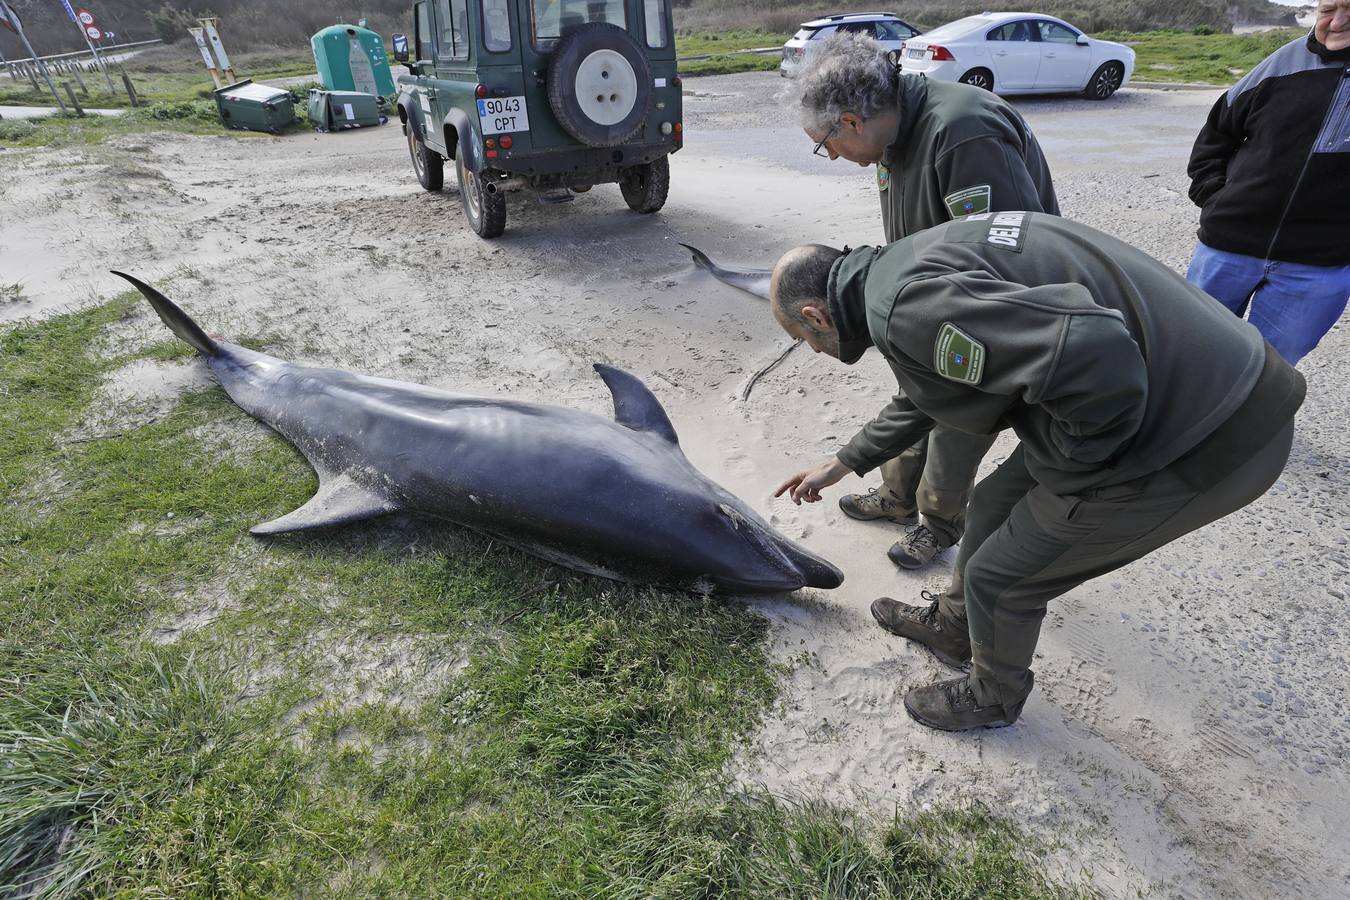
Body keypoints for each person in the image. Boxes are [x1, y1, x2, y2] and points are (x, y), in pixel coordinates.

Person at [771, 213, 1305, 731]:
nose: (813, 350)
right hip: (1176, 390)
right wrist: (843, 464)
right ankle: (956, 628)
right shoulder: (902, 268)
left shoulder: (903, 308)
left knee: (1001, 577)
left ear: (816, 315)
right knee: (990, 507)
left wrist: (1076, 473)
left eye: (802, 339)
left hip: (1204, 433)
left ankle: (993, 697)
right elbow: (931, 385)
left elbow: (1097, 356)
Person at [791, 32, 1059, 571]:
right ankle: (897, 498)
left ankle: (938, 524)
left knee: (958, 414)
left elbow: (1011, 252)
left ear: (851, 122)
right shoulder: (893, 135)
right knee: (916, 391)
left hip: (980, 310)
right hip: (933, 297)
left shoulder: (962, 132)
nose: (834, 156)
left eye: (826, 144)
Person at [1185, 0, 1350, 365]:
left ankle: (1247, 424)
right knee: (1188, 352)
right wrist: (1216, 201)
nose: (1337, 23)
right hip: (1227, 248)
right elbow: (1217, 133)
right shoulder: (1282, 64)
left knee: (1269, 373)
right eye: (1328, 10)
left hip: (1318, 267)